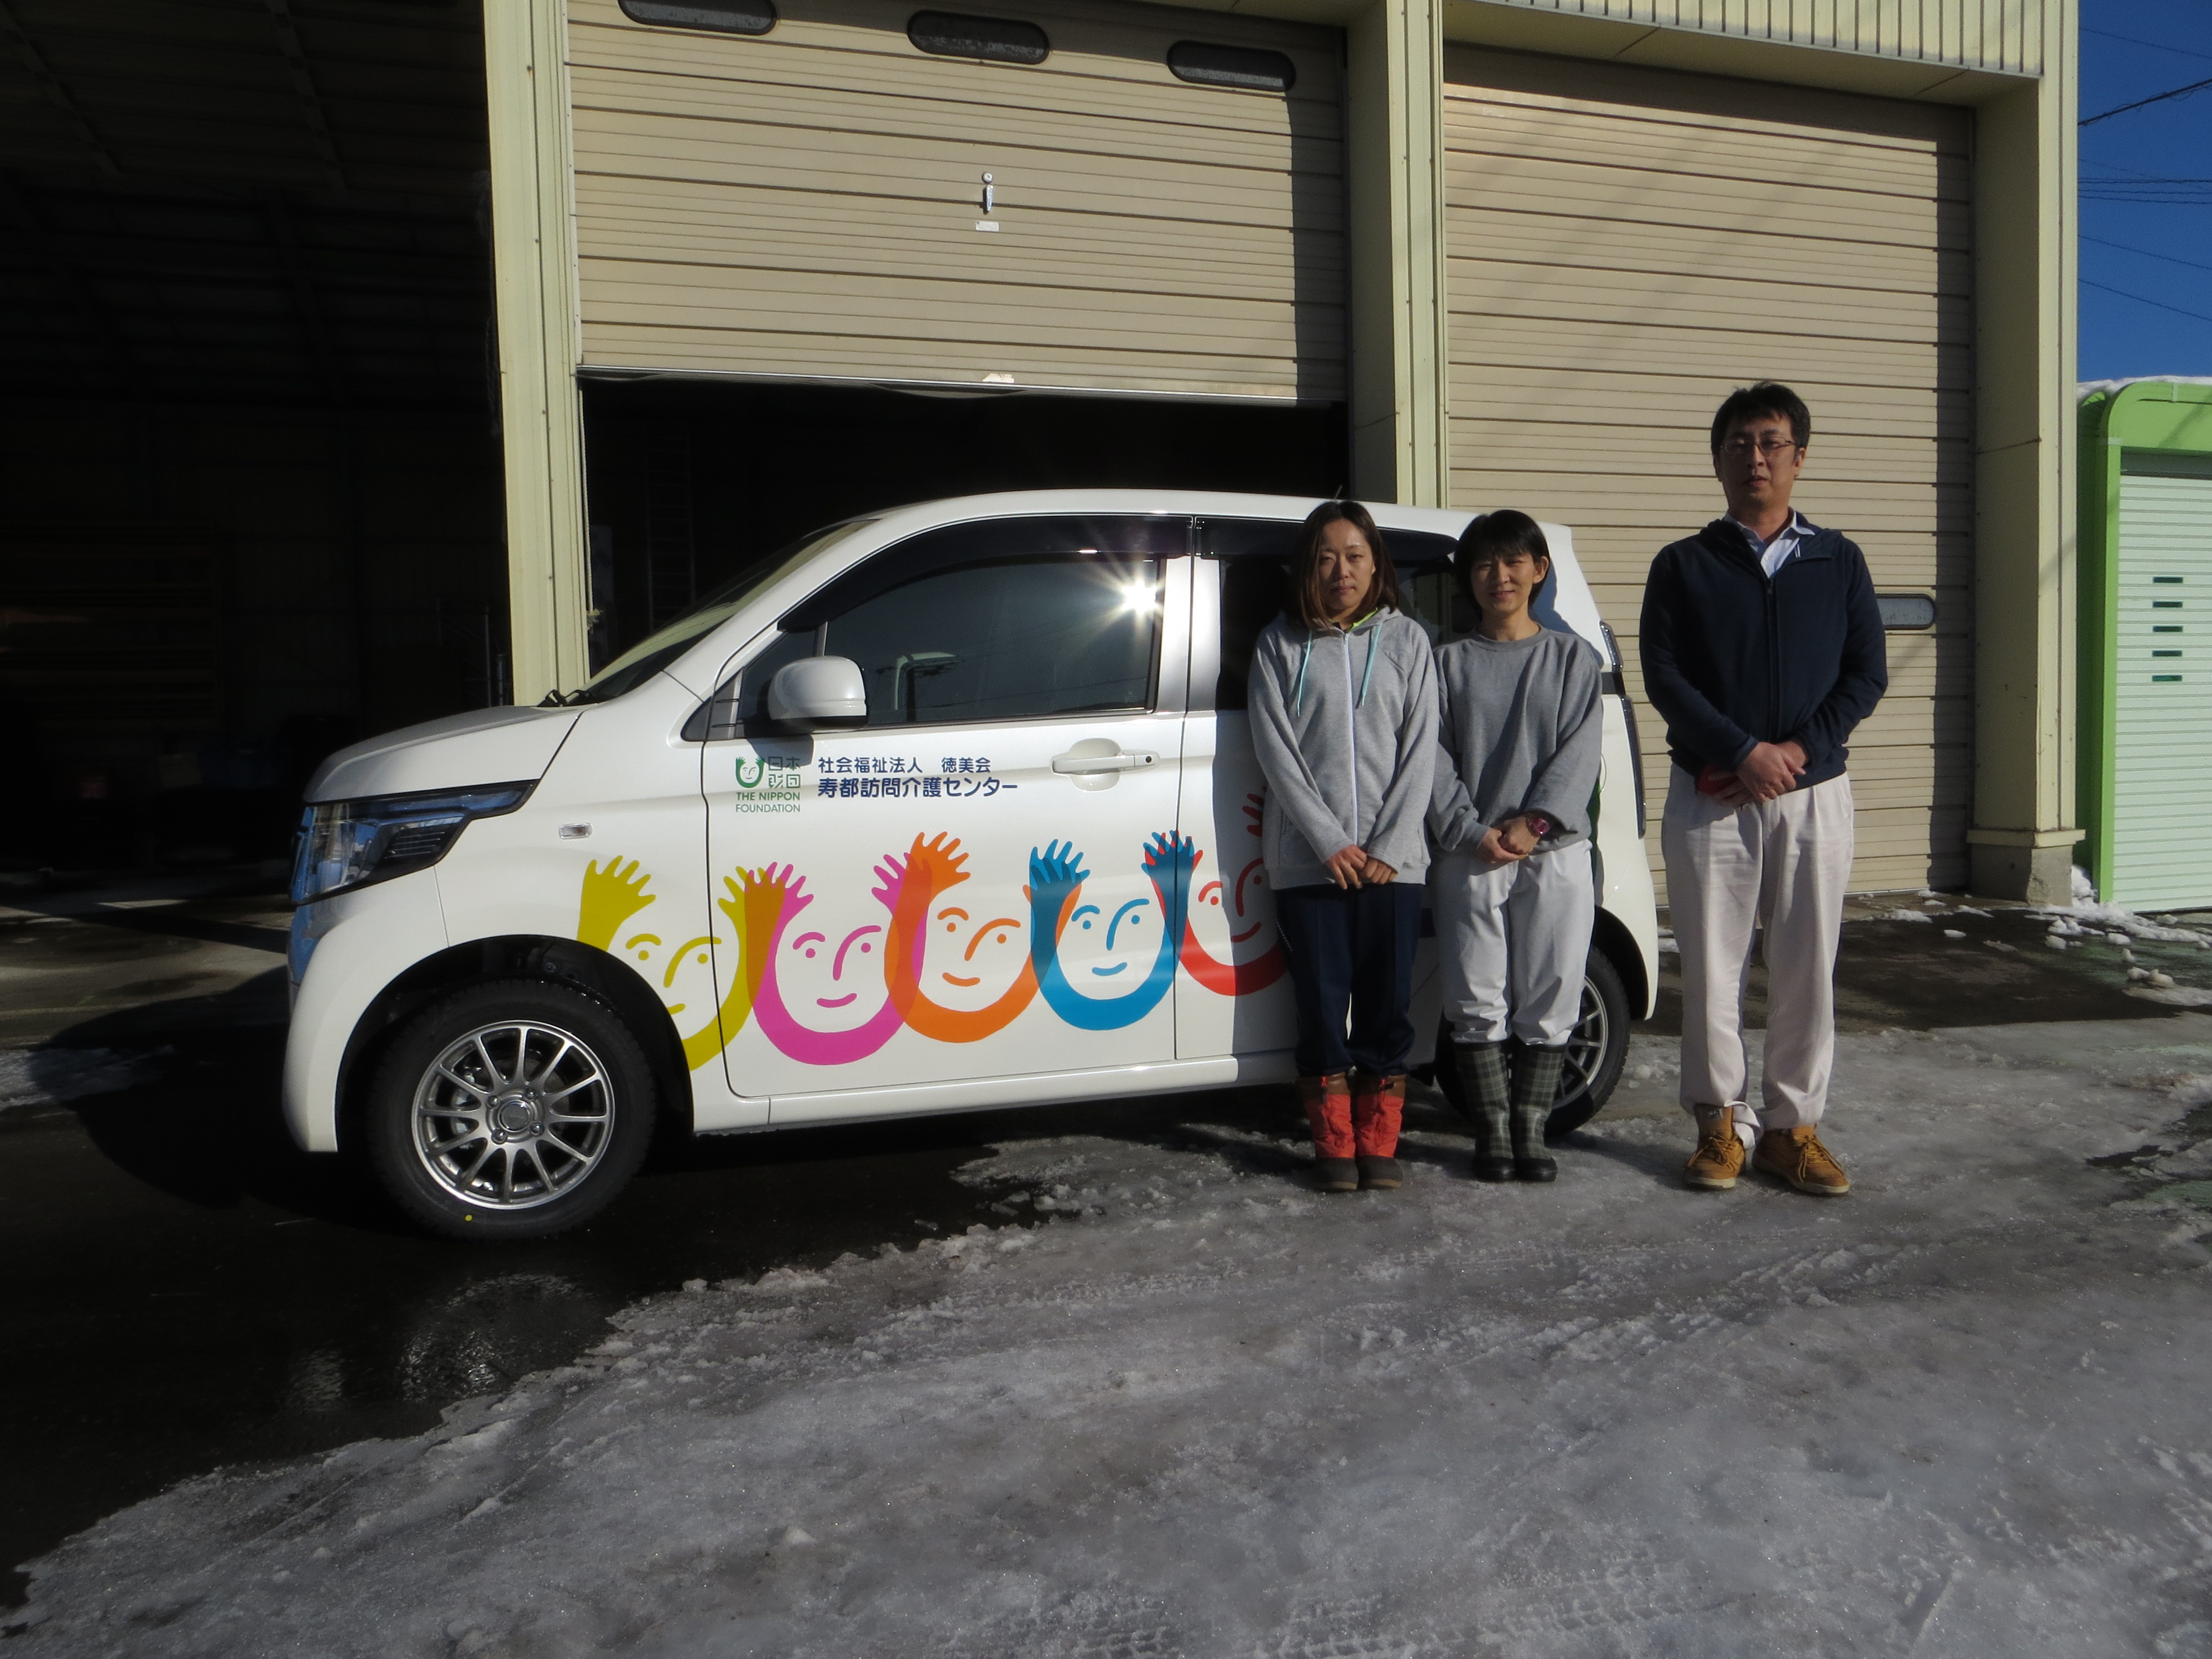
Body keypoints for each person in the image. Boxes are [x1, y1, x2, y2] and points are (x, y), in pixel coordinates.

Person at [1639, 382, 1887, 1197]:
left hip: (1813, 793)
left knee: (1807, 965)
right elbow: (1665, 676)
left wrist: (1794, 754)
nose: (1756, 457)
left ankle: (1791, 1129)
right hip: (1713, 790)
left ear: (1799, 458)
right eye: (1740, 443)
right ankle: (1720, 1123)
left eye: (1772, 442)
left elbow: (1865, 674)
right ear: (1717, 460)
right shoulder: (1683, 565)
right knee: (1713, 965)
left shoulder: (1838, 560)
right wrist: (1742, 751)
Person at [1249, 499, 1439, 1194]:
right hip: (1310, 863)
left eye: (1355, 556)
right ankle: (1333, 1145)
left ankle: (1379, 1144)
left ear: (1375, 565)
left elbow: (1422, 749)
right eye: (1326, 557)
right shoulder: (1278, 645)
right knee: (1322, 1007)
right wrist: (1327, 840)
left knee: (1388, 1006)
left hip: (1393, 865)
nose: (1341, 571)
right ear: (1307, 567)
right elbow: (1276, 753)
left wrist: (1389, 843)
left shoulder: (1408, 642)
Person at [1428, 510, 1604, 1183]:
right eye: (1483, 564)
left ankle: (1532, 1130)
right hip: (1469, 850)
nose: (1498, 576)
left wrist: (1534, 824)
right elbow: (1430, 759)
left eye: (1512, 562)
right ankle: (1492, 1133)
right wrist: (1470, 831)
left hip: (1553, 851)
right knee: (1474, 998)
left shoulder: (1572, 658)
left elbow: (1580, 755)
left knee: (1551, 992)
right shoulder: (1445, 664)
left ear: (1539, 570)